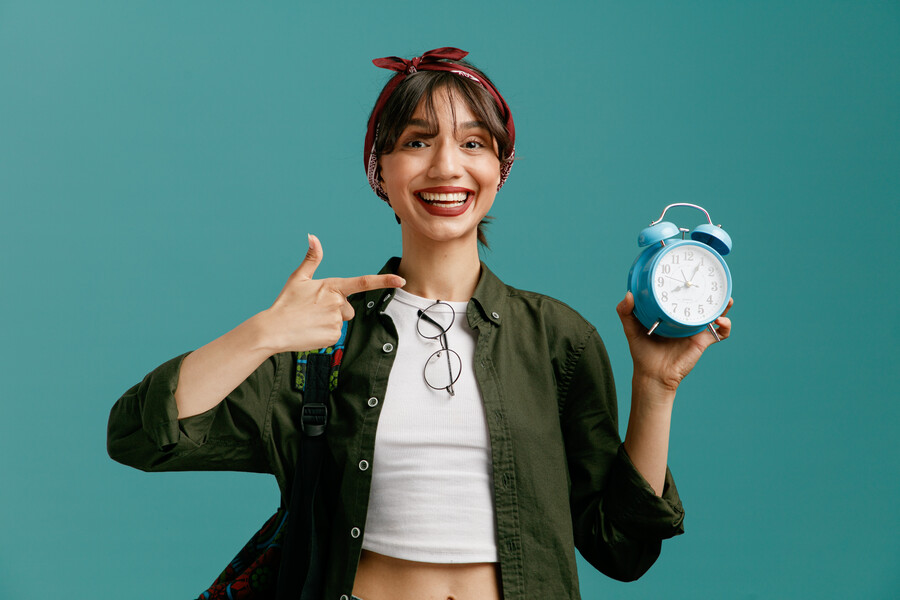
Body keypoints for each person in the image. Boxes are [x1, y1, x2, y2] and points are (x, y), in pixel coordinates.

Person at [107, 47, 733, 600]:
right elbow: (138, 435)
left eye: (472, 143)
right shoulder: (322, 339)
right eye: (415, 141)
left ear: (500, 168)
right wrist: (265, 333)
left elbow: (622, 550)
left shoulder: (558, 340)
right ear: (380, 169)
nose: (445, 166)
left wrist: (657, 388)